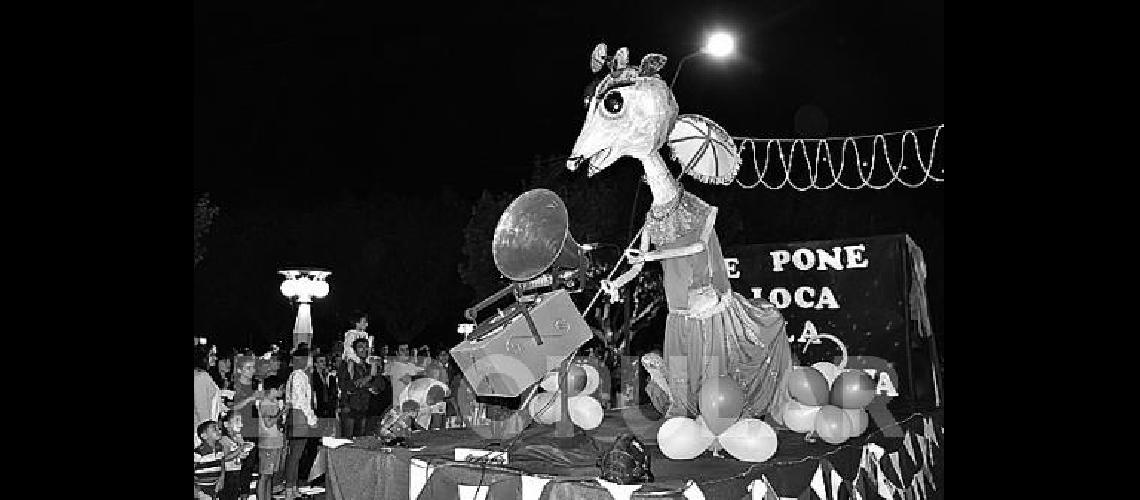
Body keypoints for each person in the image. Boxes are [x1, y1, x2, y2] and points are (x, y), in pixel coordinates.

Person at [283, 346, 319, 500]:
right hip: (299, 416)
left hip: (299, 415)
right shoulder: (298, 375)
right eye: (310, 357)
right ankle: (289, 489)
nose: (312, 361)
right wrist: (311, 419)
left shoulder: (301, 375)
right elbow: (301, 401)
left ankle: (293, 486)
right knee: (294, 455)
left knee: (297, 455)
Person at [195, 420, 243, 500]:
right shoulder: (198, 453)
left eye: (219, 428)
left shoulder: (219, 449)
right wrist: (198, 492)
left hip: (214, 487)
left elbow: (222, 463)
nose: (219, 431)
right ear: (204, 436)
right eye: (215, 429)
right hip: (201, 489)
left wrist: (221, 478)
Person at [256, 376, 286, 500]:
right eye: (281, 389)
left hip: (276, 441)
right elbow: (268, 423)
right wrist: (281, 412)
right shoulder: (266, 403)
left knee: (270, 475)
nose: (283, 391)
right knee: (264, 475)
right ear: (274, 389)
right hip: (268, 442)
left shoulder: (273, 402)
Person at [337, 338, 373, 437]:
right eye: (361, 347)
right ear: (354, 350)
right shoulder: (346, 365)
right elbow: (343, 385)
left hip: (363, 408)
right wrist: (363, 382)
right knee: (347, 441)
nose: (364, 349)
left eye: (366, 347)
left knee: (360, 441)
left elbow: (375, 386)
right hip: (349, 407)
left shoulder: (369, 367)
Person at [218, 412, 256, 500]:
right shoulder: (224, 440)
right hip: (228, 474)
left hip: (237, 471)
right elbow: (225, 458)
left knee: (235, 494)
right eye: (237, 421)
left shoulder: (238, 437)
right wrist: (240, 450)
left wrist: (244, 453)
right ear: (226, 424)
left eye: (241, 421)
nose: (241, 424)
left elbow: (239, 454)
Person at [194, 345, 222, 447]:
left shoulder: (202, 375)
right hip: (200, 434)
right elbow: (201, 409)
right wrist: (209, 434)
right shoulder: (200, 376)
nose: (216, 358)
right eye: (212, 355)